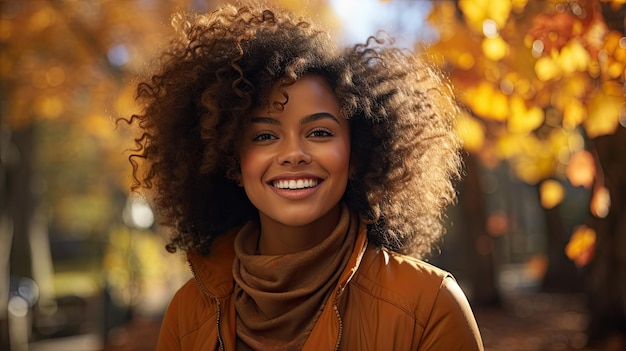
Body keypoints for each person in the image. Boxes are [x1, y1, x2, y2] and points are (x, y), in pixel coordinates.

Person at [125, 1, 484, 349]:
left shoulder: (429, 305)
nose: (294, 154)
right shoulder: (188, 315)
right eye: (265, 136)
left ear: (356, 155)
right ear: (232, 162)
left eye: (320, 133)